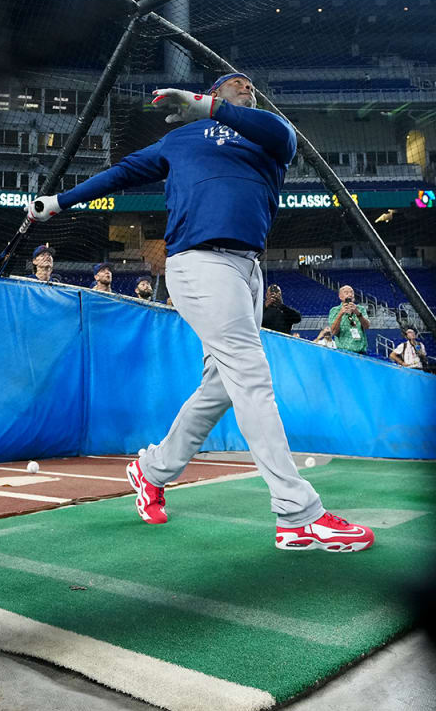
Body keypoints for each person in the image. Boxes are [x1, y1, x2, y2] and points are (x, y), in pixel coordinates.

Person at [22, 71, 372, 552]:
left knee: (221, 387)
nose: (246, 87)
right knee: (250, 376)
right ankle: (297, 514)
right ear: (215, 88)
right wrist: (59, 202)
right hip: (199, 262)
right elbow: (122, 172)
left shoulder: (270, 133)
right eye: (237, 83)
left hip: (248, 269)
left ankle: (152, 470)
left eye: (251, 86)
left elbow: (283, 137)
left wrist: (210, 107)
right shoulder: (180, 137)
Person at [326, 285, 370, 354]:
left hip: (361, 352)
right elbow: (334, 332)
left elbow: (367, 326)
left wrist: (357, 313)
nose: (350, 294)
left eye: (352, 292)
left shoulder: (360, 309)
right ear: (340, 297)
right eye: (346, 293)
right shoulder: (334, 310)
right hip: (343, 352)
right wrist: (340, 314)